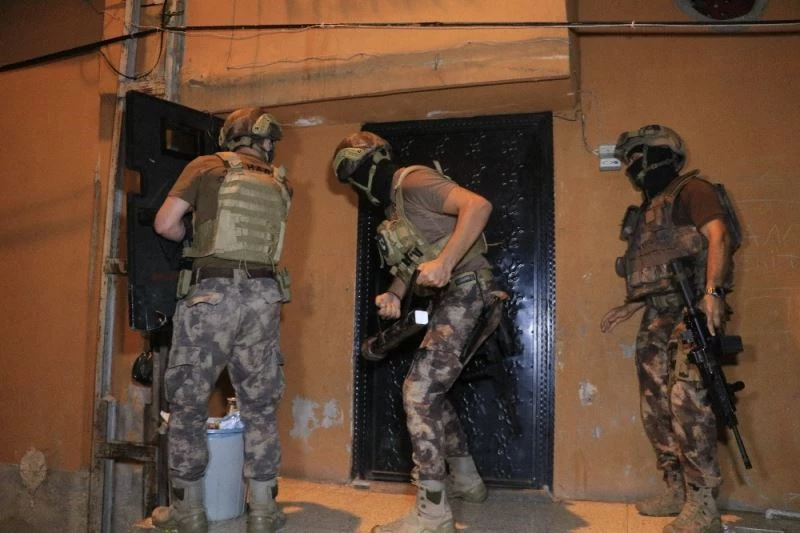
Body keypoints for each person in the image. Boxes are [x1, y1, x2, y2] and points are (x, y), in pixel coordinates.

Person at [332, 131, 502, 533]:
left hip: (468, 289)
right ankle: (467, 481)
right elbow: (412, 263)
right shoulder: (396, 207)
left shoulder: (413, 181)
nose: (357, 188)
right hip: (453, 297)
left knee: (418, 391)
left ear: (368, 164)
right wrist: (395, 294)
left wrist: (445, 263)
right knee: (431, 392)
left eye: (355, 176)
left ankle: (432, 515)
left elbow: (478, 205)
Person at [151, 107, 292, 533]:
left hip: (212, 295)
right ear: (265, 141)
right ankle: (263, 511)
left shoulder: (205, 167)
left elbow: (165, 224)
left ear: (230, 137)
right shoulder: (281, 182)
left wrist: (191, 238)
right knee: (259, 405)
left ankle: (188, 510)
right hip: (265, 296)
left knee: (188, 403)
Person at [601, 125, 737, 533]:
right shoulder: (647, 210)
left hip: (691, 311)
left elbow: (718, 237)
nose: (631, 166)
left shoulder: (693, 190)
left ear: (660, 155)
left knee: (687, 402)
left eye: (636, 157)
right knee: (655, 405)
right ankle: (676, 489)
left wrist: (712, 293)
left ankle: (703, 503)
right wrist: (631, 305)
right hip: (656, 316)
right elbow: (656, 268)